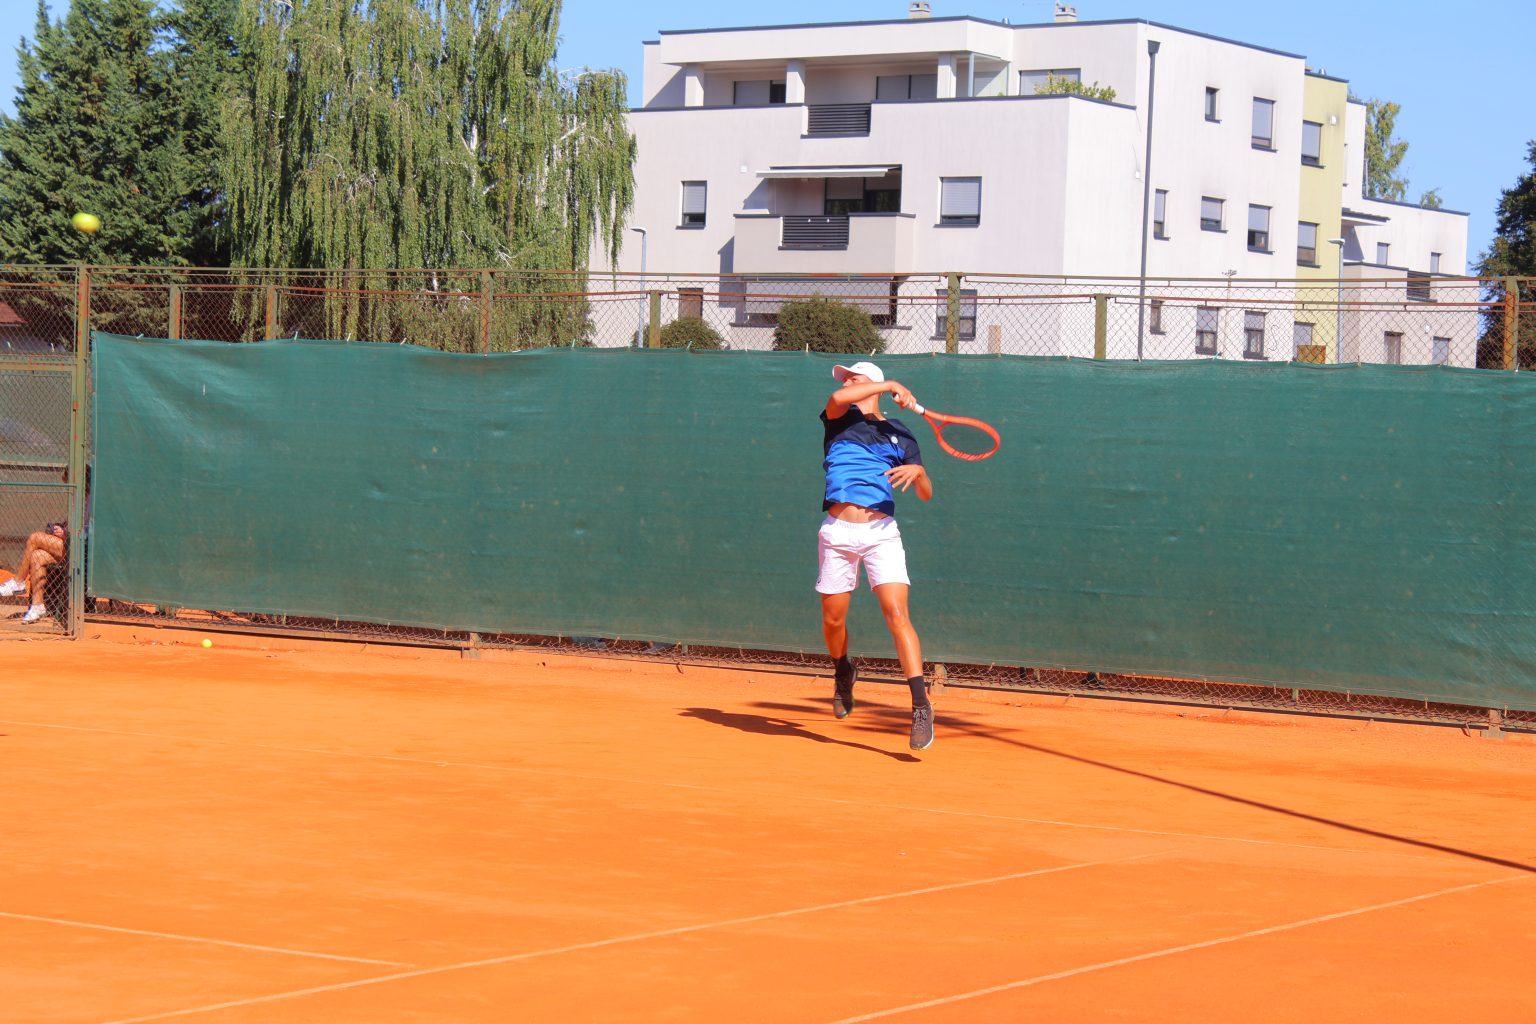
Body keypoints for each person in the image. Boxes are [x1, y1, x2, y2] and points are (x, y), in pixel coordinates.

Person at [815, 360, 936, 750]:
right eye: (846, 377)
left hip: (881, 534)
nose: (848, 380)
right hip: (837, 532)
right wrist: (890, 385)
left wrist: (920, 475)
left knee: (897, 614)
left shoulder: (900, 435)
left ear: (874, 382)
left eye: (855, 376)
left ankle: (920, 706)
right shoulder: (839, 418)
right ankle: (843, 671)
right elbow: (837, 396)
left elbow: (925, 493)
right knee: (833, 621)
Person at [0, 521, 67, 623]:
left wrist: (65, 533)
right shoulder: (80, 510)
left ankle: (18, 582)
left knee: (34, 538)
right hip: (66, 545)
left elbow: (86, 534)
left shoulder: (91, 511)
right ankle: (37, 606)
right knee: (37, 556)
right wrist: (60, 528)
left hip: (78, 549)